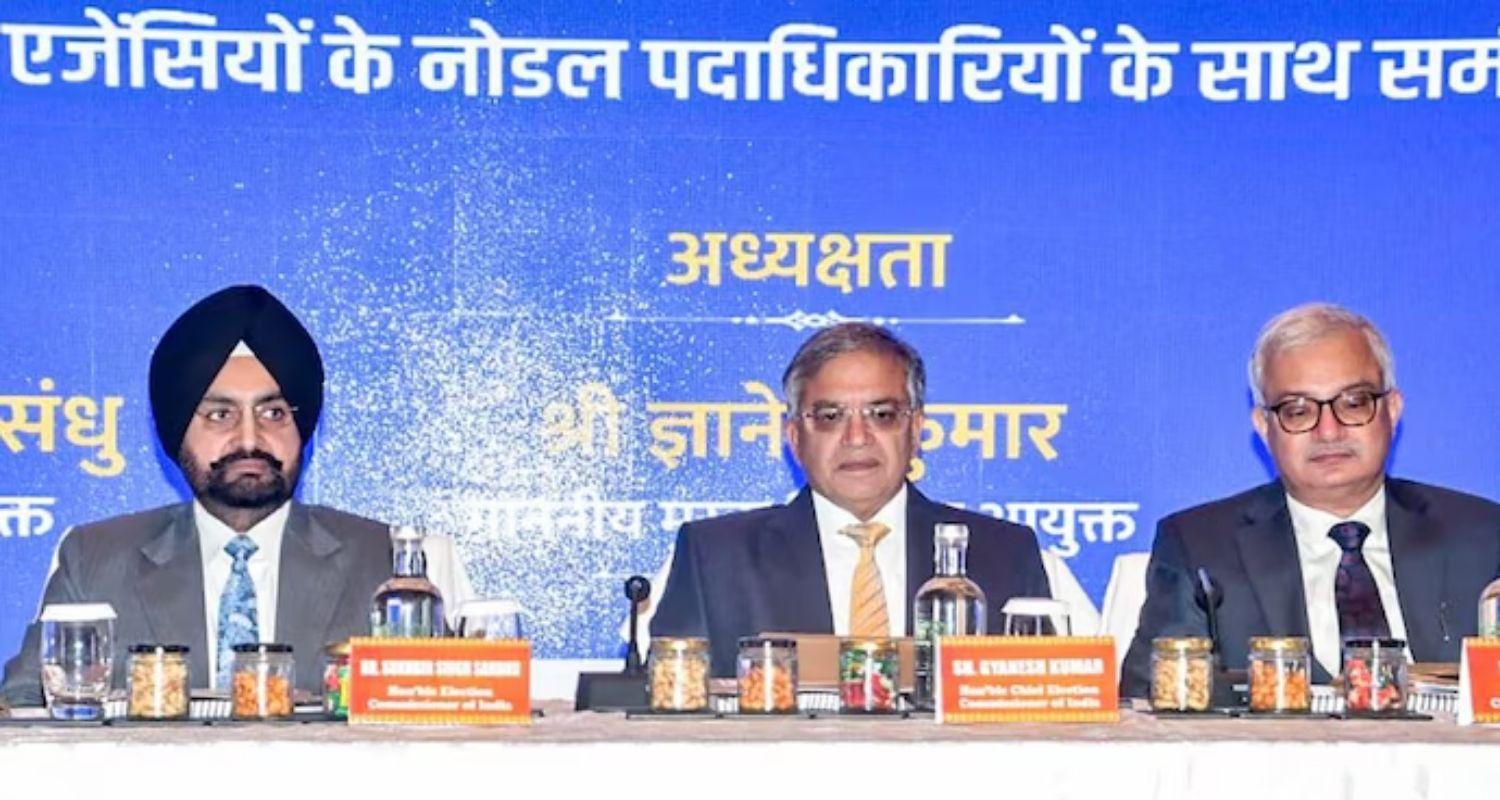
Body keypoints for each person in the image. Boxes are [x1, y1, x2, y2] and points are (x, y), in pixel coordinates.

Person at [1, 285, 391, 705]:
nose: (249, 439)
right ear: (178, 430)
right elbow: (25, 706)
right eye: (220, 414)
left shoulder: (385, 563)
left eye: (273, 413)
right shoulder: (95, 559)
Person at [1122, 302, 1500, 696]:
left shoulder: (1483, 537)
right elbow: (1151, 702)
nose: (1329, 431)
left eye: (1353, 403)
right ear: (1264, 426)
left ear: (1392, 409)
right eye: (1298, 411)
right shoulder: (1200, 547)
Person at [651, 323, 1051, 676]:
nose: (857, 438)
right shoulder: (716, 558)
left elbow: (1045, 710)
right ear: (795, 438)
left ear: (916, 430)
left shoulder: (1004, 554)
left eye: (882, 414)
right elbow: (669, 707)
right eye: (830, 417)